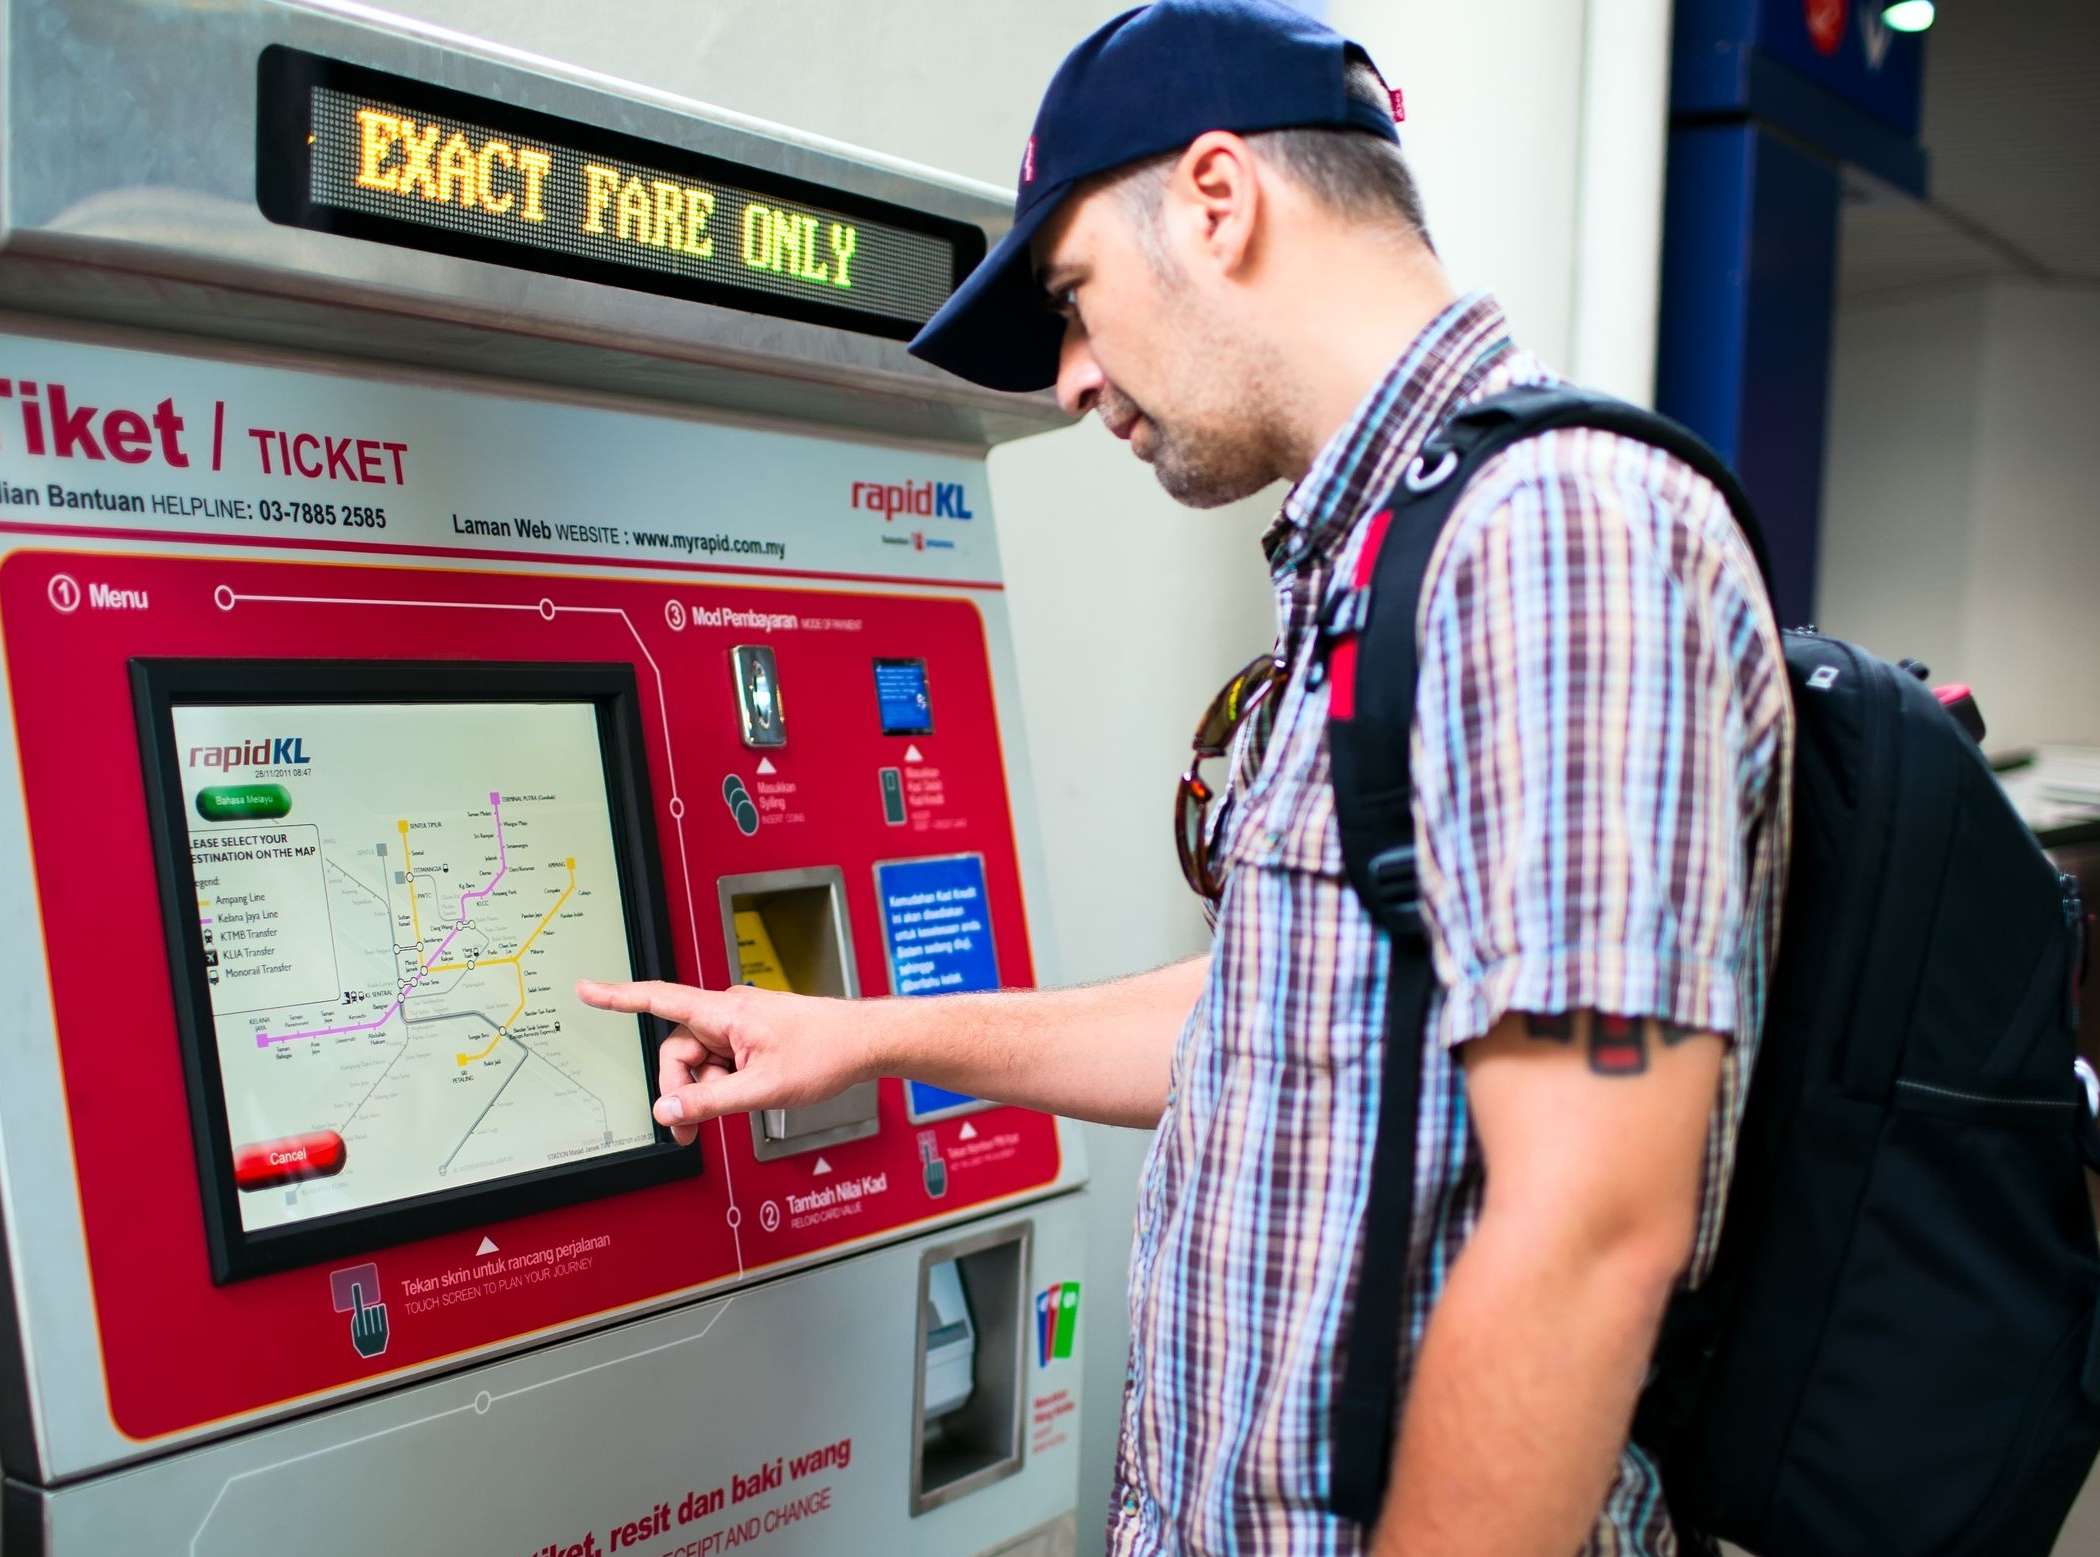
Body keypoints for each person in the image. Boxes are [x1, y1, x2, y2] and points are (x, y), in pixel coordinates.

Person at [578, 3, 1793, 1552]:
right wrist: (860, 1033)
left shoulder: (1549, 538)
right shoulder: (1390, 560)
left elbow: (1591, 1225)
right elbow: (1278, 1011)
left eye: (1074, 296)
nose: (1072, 379)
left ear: (1218, 199)